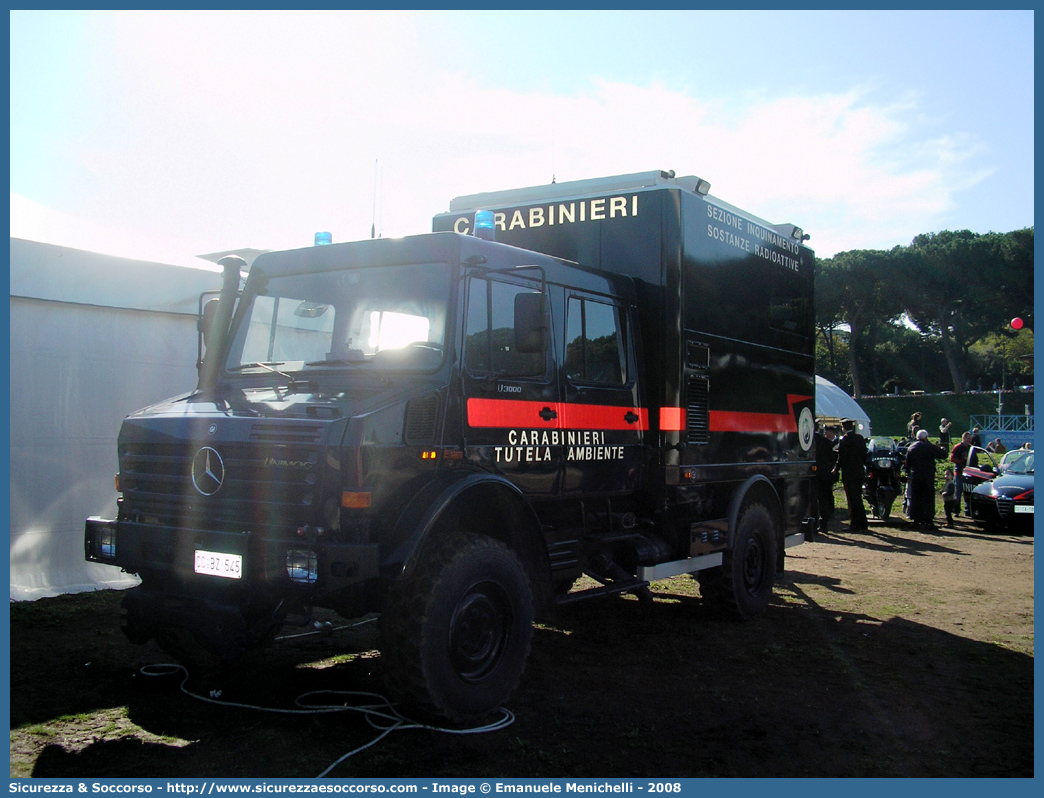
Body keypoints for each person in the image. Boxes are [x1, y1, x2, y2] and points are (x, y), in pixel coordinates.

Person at [905, 429, 946, 528]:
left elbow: (907, 464)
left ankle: (916, 519)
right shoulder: (930, 446)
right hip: (928, 476)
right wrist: (942, 448)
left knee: (916, 498)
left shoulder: (911, 447)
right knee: (928, 498)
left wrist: (907, 473)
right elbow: (943, 455)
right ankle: (928, 520)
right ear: (926, 437)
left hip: (916, 475)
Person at [834, 419, 868, 531]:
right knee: (858, 498)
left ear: (843, 427)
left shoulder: (845, 440)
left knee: (852, 500)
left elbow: (841, 457)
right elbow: (864, 454)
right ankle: (863, 522)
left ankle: (855, 524)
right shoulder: (859, 438)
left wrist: (836, 469)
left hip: (849, 473)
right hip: (859, 472)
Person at [814, 424, 839, 533]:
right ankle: (823, 523)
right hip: (823, 473)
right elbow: (831, 458)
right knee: (823, 499)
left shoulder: (806, 440)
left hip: (809, 473)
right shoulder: (825, 442)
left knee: (812, 500)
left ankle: (812, 522)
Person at [950, 432, 973, 517]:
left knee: (968, 492)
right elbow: (952, 458)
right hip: (959, 472)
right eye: (968, 438)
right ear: (964, 438)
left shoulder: (971, 448)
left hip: (968, 474)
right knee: (958, 493)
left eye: (970, 439)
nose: (970, 440)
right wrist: (961, 461)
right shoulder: (958, 447)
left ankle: (968, 510)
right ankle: (956, 510)